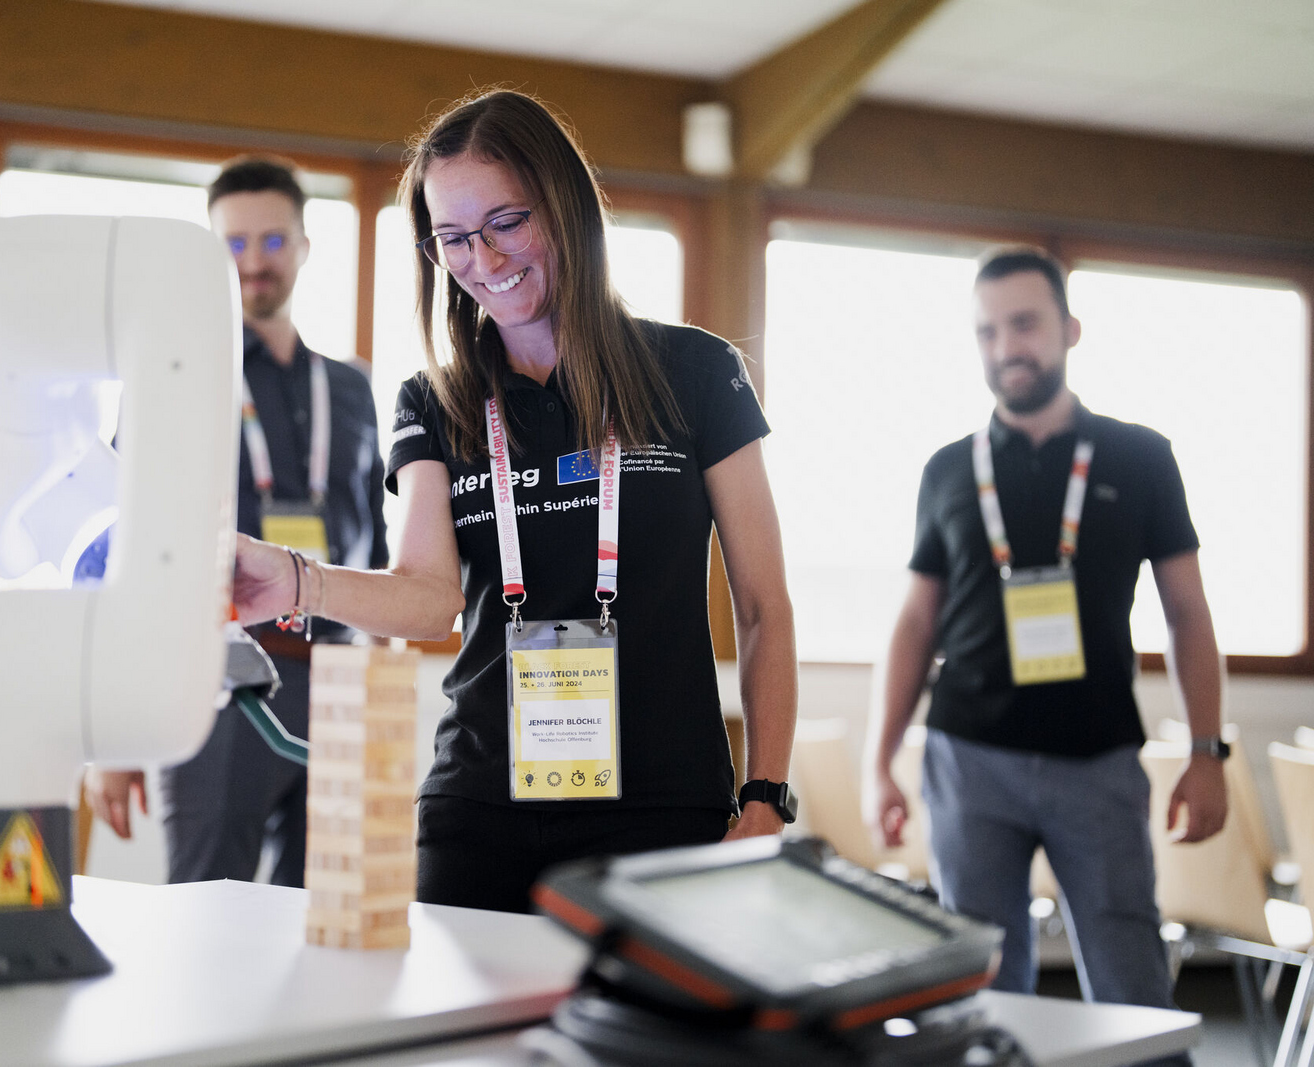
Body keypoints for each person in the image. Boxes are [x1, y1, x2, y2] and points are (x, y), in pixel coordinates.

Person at [231, 90, 800, 913]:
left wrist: (766, 794)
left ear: (564, 206)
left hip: (663, 807)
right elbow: (429, 595)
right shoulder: (435, 401)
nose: (483, 258)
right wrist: (293, 580)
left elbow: (764, 606)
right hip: (480, 807)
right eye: (454, 237)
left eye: (506, 221)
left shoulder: (697, 372)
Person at [866, 247, 1228, 1019]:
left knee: (1132, 986)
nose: (1006, 347)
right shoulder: (948, 469)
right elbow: (915, 621)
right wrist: (879, 761)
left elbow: (1188, 614)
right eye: (987, 331)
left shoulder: (1141, 455)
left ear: (1069, 328)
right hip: (968, 758)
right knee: (986, 995)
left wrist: (1207, 752)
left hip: (1098, 759)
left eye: (1024, 324)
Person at [88, 156, 388, 886]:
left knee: (326, 917)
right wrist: (116, 732)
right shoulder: (174, 377)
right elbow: (124, 543)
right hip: (221, 684)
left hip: (342, 684)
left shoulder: (351, 388)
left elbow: (376, 541)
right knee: (206, 913)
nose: (255, 262)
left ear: (305, 246)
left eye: (274, 241)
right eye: (235, 243)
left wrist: (380, 692)